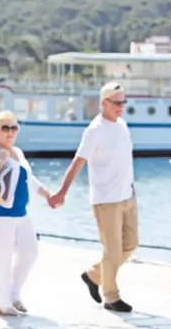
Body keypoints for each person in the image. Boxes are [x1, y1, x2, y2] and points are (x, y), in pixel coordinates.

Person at [48, 82, 138, 313]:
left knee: (131, 245)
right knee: (113, 250)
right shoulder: (94, 130)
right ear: (104, 103)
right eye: (117, 103)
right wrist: (61, 192)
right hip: (105, 200)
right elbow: (78, 163)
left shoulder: (123, 125)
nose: (121, 107)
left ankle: (93, 275)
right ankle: (111, 297)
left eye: (123, 102)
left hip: (128, 196)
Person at [0, 110, 50, 316]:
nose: (10, 132)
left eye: (14, 127)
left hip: (20, 214)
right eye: (5, 128)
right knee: (2, 259)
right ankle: (2, 303)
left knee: (29, 253)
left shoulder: (18, 152)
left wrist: (47, 195)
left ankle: (14, 294)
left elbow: (29, 179)